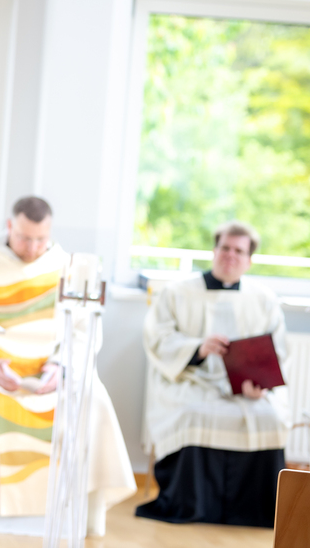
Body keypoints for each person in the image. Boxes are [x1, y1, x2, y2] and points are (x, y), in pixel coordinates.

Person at [0, 197, 135, 536]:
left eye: (40, 239)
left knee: (94, 400)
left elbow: (83, 329)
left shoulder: (68, 268)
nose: (33, 247)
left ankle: (69, 517)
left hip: (51, 374)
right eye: (25, 238)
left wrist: (61, 366)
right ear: (9, 227)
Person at [136, 221, 288, 527]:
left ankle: (259, 511)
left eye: (239, 251)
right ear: (214, 251)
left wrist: (259, 385)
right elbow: (158, 339)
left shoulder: (263, 299)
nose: (230, 255)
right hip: (192, 380)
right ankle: (189, 506)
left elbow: (277, 349)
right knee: (193, 414)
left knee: (270, 417)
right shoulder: (177, 293)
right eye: (225, 248)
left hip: (244, 389)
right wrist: (198, 348)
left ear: (249, 260)